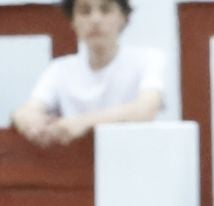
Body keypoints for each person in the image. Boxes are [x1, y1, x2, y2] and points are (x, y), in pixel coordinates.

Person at [12, 0, 163, 146]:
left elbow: (146, 109)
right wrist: (29, 120)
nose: (95, 19)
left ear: (123, 17)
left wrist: (83, 122)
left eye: (105, 10)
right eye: (85, 11)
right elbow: (29, 109)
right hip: (75, 166)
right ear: (73, 21)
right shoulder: (59, 69)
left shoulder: (147, 59)